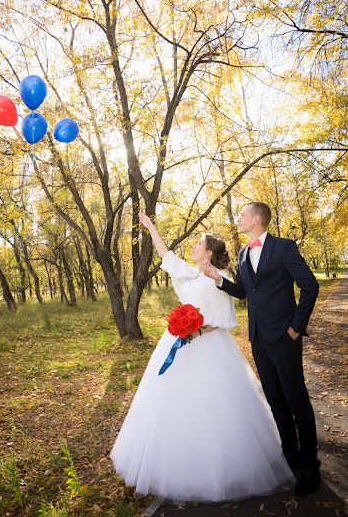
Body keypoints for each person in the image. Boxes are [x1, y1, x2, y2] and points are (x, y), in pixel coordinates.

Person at [110, 211, 295, 511]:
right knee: (176, 407)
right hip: (179, 345)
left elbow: (224, 319)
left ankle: (222, 469)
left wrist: (196, 328)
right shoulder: (190, 273)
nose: (193, 248)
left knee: (214, 408)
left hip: (209, 347)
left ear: (209, 252)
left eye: (198, 244)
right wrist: (150, 227)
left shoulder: (221, 279)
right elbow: (165, 255)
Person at [203, 201, 320, 496]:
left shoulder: (283, 247)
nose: (238, 218)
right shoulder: (243, 253)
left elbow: (310, 286)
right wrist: (219, 280)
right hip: (258, 337)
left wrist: (295, 327)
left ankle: (310, 465)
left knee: (297, 400)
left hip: (284, 337)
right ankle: (290, 457)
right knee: (275, 400)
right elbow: (243, 290)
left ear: (256, 219)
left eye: (242, 215)